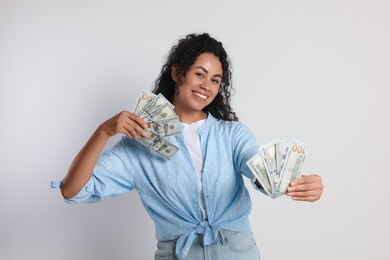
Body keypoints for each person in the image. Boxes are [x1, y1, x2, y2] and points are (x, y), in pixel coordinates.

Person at [52, 33, 323, 260]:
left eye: (215, 80)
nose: (206, 86)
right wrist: (103, 131)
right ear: (177, 73)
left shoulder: (233, 135)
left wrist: (296, 182)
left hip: (237, 252)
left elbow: (262, 173)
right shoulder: (139, 143)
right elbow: (72, 189)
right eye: (199, 74)